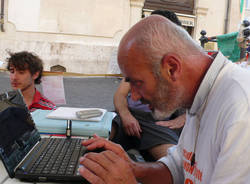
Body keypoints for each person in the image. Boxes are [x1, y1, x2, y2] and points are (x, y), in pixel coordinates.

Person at [79, 15, 250, 184]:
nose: (135, 96)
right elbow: (177, 169)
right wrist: (132, 168)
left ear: (172, 68)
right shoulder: (199, 93)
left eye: (138, 83)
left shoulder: (241, 107)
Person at [110, 10, 185, 161]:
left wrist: (183, 118)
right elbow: (120, 95)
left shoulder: (181, 64)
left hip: (157, 123)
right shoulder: (142, 59)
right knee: (94, 140)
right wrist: (126, 116)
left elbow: (200, 102)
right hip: (129, 117)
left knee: (173, 163)